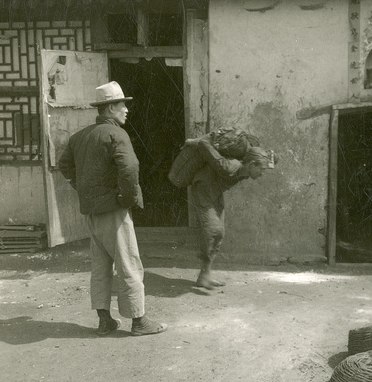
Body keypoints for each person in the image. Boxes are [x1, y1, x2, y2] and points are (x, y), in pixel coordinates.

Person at [58, 81, 167, 337]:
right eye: (122, 105)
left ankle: (104, 320)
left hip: (93, 214)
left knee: (100, 266)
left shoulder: (80, 136)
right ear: (109, 109)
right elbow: (129, 168)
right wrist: (126, 198)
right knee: (129, 264)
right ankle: (139, 322)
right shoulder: (116, 134)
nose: (126, 110)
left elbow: (64, 165)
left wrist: (82, 188)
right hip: (113, 211)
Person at [188, 138, 277, 289]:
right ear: (251, 165)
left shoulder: (247, 168)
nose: (262, 174)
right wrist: (194, 141)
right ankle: (204, 275)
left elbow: (269, 158)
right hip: (202, 189)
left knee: (219, 235)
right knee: (214, 230)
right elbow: (206, 147)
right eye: (261, 169)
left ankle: (204, 276)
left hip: (215, 192)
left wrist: (271, 158)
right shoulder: (229, 167)